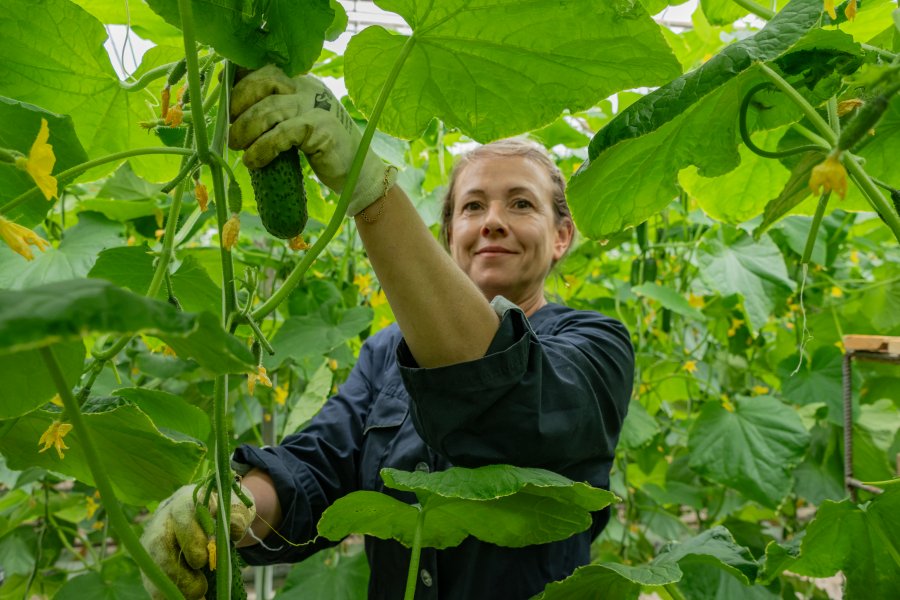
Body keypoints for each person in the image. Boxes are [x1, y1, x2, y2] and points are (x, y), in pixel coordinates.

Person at [141, 65, 634, 600]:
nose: (492, 220)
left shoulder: (595, 344)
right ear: (447, 238)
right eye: (472, 206)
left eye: (521, 203)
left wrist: (367, 185)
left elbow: (509, 400)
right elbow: (321, 465)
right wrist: (231, 505)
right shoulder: (386, 352)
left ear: (561, 236)